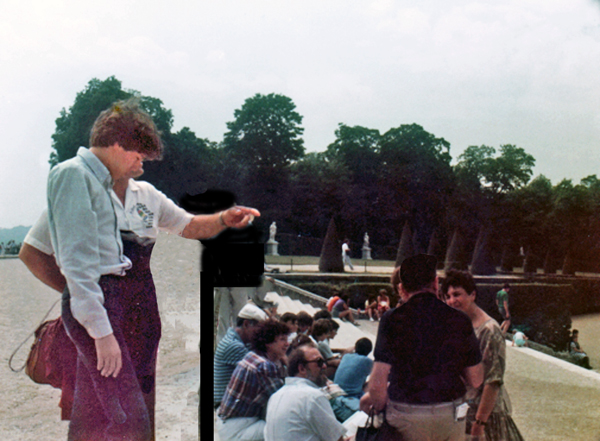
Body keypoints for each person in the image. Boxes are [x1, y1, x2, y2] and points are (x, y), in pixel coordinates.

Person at [40, 98, 259, 441]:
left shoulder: (145, 195)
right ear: (115, 144)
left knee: (107, 406)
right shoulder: (74, 177)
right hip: (101, 306)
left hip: (138, 306)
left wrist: (222, 219)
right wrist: (93, 321)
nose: (141, 164)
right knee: (126, 416)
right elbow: (66, 263)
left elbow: (188, 225)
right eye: (137, 155)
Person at [360, 254, 483, 441]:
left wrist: (381, 407)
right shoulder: (460, 319)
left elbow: (377, 384)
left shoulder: (391, 319)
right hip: (449, 414)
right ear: (435, 282)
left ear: (402, 289)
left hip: (406, 414)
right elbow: (475, 379)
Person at [442, 269, 525, 441]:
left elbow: (493, 381)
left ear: (472, 295)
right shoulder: (457, 325)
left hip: (483, 419)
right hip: (462, 413)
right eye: (448, 296)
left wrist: (479, 423)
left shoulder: (489, 330)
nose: (451, 301)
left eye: (457, 294)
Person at [217, 319, 290, 441]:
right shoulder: (264, 365)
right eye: (282, 340)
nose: (287, 344)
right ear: (268, 342)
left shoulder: (252, 355)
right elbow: (283, 401)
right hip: (239, 428)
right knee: (288, 428)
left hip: (226, 422)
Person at [264, 346, 348, 441]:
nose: (324, 366)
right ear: (302, 369)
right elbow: (336, 438)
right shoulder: (312, 396)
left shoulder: (275, 397)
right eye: (319, 362)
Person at [214, 303, 269, 409]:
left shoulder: (239, 340)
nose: (261, 334)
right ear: (246, 324)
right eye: (259, 329)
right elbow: (262, 371)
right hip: (224, 405)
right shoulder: (234, 346)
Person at [331, 338, 374, 422]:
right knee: (373, 381)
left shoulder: (346, 356)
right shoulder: (368, 362)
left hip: (337, 390)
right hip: (350, 395)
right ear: (369, 351)